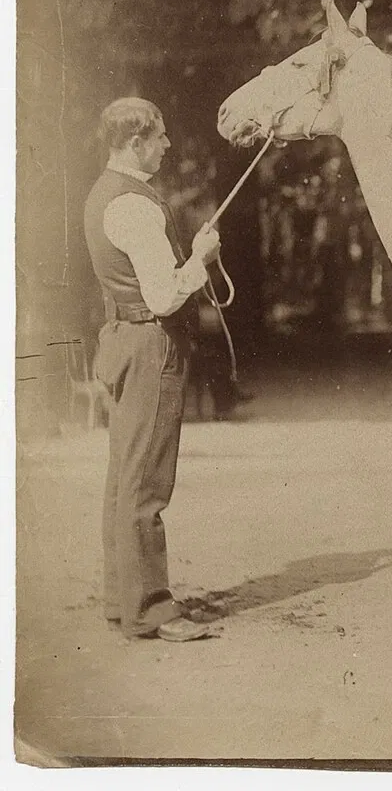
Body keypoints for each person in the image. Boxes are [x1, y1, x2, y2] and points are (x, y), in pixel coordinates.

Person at [83, 97, 222, 642]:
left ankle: (123, 601)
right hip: (149, 344)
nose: (166, 146)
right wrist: (201, 258)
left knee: (124, 477)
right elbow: (164, 297)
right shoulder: (136, 206)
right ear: (135, 142)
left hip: (121, 338)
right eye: (159, 137)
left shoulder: (102, 194)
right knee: (147, 483)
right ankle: (152, 609)